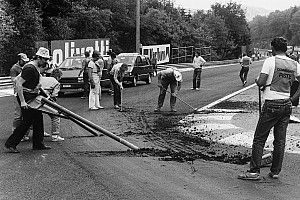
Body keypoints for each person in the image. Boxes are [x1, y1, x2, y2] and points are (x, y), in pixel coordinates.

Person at [238, 37, 300, 180]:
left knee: (259, 138)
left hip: (272, 104)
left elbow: (261, 82)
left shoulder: (270, 61)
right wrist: (295, 98)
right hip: (286, 104)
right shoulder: (294, 64)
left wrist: (257, 81)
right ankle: (275, 171)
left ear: (274, 48)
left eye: (271, 48)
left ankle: (254, 172)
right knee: (280, 140)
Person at [5, 47, 51, 153]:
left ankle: (38, 144)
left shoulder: (36, 67)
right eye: (45, 59)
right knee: (27, 121)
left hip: (32, 95)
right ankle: (10, 144)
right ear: (39, 57)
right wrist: (22, 101)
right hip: (26, 97)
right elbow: (18, 83)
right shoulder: (30, 68)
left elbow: (37, 85)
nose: (46, 62)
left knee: (38, 119)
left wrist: (45, 95)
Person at [40, 68, 64, 142]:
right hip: (45, 100)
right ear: (58, 77)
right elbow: (53, 97)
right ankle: (55, 135)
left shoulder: (43, 78)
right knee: (56, 116)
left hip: (35, 99)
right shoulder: (56, 83)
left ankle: (25, 135)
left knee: (35, 117)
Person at [10, 53, 30, 141]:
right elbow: (14, 81)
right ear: (19, 60)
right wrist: (22, 75)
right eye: (23, 61)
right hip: (17, 93)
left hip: (26, 92)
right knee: (18, 114)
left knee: (27, 113)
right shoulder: (14, 69)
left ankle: (25, 133)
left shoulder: (26, 67)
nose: (25, 62)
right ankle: (15, 132)